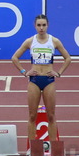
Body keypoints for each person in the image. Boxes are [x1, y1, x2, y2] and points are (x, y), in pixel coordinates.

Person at [11, 14, 72, 147]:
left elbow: (68, 58)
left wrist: (59, 72)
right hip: (34, 80)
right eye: (39, 25)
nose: (41, 28)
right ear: (35, 26)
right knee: (32, 115)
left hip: (49, 80)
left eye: (44, 25)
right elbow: (15, 58)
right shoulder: (30, 41)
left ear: (47, 25)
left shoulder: (54, 41)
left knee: (51, 115)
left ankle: (53, 146)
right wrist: (24, 72)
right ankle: (33, 147)